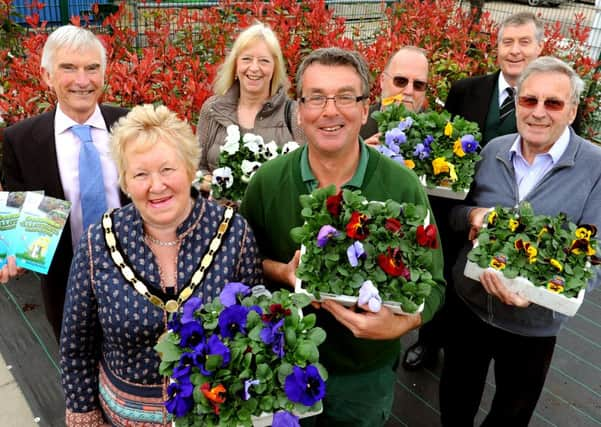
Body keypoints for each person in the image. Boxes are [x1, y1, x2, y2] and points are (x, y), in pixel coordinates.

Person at [239, 47, 445, 426]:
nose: (330, 110)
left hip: (363, 376)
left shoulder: (401, 186)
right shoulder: (267, 183)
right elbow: (242, 267)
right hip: (280, 368)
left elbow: (434, 284)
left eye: (346, 97)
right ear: (299, 111)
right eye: (316, 97)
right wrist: (283, 272)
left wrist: (401, 324)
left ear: (366, 109)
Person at [60, 104, 262, 426]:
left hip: (214, 415)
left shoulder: (233, 233)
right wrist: (84, 414)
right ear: (125, 181)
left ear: (189, 167)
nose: (156, 186)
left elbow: (254, 334)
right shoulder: (98, 241)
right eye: (140, 174)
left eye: (167, 169)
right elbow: (76, 345)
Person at [439, 56, 601, 426]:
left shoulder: (595, 168)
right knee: (455, 397)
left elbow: (595, 256)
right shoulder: (494, 149)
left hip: (534, 323)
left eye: (553, 103)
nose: (538, 112)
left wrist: (540, 291)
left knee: (512, 411)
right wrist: (472, 217)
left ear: (572, 111)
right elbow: (455, 214)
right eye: (529, 100)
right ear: (518, 103)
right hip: (470, 304)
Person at [403, 11, 545, 370]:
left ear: (539, 48)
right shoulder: (467, 90)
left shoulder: (545, 103)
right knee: (445, 271)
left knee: (494, 280)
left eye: (524, 42)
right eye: (507, 42)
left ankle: (471, 348)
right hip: (457, 207)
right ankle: (429, 341)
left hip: (511, 216)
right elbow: (443, 147)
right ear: (496, 48)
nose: (514, 51)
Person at [1, 25, 128, 340]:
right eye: (68, 68)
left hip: (140, 285)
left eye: (92, 68)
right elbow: (22, 222)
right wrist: (10, 250)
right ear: (47, 76)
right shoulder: (21, 141)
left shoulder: (132, 124)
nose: (82, 80)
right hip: (67, 291)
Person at [196, 22, 305, 190]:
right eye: (246, 59)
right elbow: (196, 168)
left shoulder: (294, 113)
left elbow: (307, 174)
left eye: (264, 61)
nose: (254, 68)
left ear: (274, 68)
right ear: (236, 65)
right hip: (222, 213)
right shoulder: (212, 109)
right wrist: (208, 184)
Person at [360, 46, 429, 145]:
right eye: (400, 81)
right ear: (382, 81)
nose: (409, 91)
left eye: (419, 85)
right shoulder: (356, 126)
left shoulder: (437, 134)